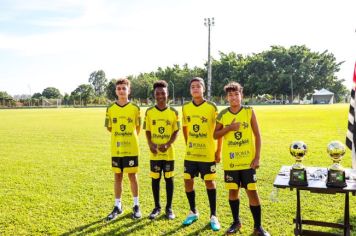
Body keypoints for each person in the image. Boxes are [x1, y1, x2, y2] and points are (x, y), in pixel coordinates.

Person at [213, 82, 269, 236]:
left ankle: (258, 227)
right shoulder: (223, 114)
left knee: (253, 193)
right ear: (226, 98)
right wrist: (229, 128)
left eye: (236, 94)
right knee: (233, 192)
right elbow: (215, 135)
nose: (233, 97)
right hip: (231, 163)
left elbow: (257, 135)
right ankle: (236, 222)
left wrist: (257, 157)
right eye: (230, 95)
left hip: (247, 162)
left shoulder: (249, 111)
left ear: (241, 95)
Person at [181, 77, 222, 231]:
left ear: (203, 89)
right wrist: (188, 143)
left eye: (198, 86)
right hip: (191, 154)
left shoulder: (212, 107)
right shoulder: (186, 108)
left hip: (207, 154)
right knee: (187, 181)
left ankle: (213, 215)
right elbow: (185, 128)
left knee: (210, 182)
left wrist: (218, 151)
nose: (196, 89)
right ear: (190, 90)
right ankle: (193, 211)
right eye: (193, 86)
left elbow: (219, 131)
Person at [105, 78, 142, 220]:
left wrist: (129, 138)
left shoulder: (135, 109)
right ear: (116, 91)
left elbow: (137, 128)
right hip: (116, 148)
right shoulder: (110, 109)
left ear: (129, 90)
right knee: (117, 176)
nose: (121, 91)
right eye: (119, 88)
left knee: (132, 175)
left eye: (124, 88)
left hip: (131, 148)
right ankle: (117, 206)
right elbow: (109, 127)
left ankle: (136, 205)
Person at [143, 80, 179, 220]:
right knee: (155, 179)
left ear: (167, 94)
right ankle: (157, 207)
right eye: (157, 93)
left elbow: (176, 131)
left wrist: (168, 144)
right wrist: (151, 144)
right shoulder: (149, 112)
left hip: (169, 153)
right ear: (154, 95)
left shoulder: (174, 112)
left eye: (163, 93)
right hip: (155, 153)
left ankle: (169, 208)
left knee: (169, 179)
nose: (160, 96)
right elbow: (147, 130)